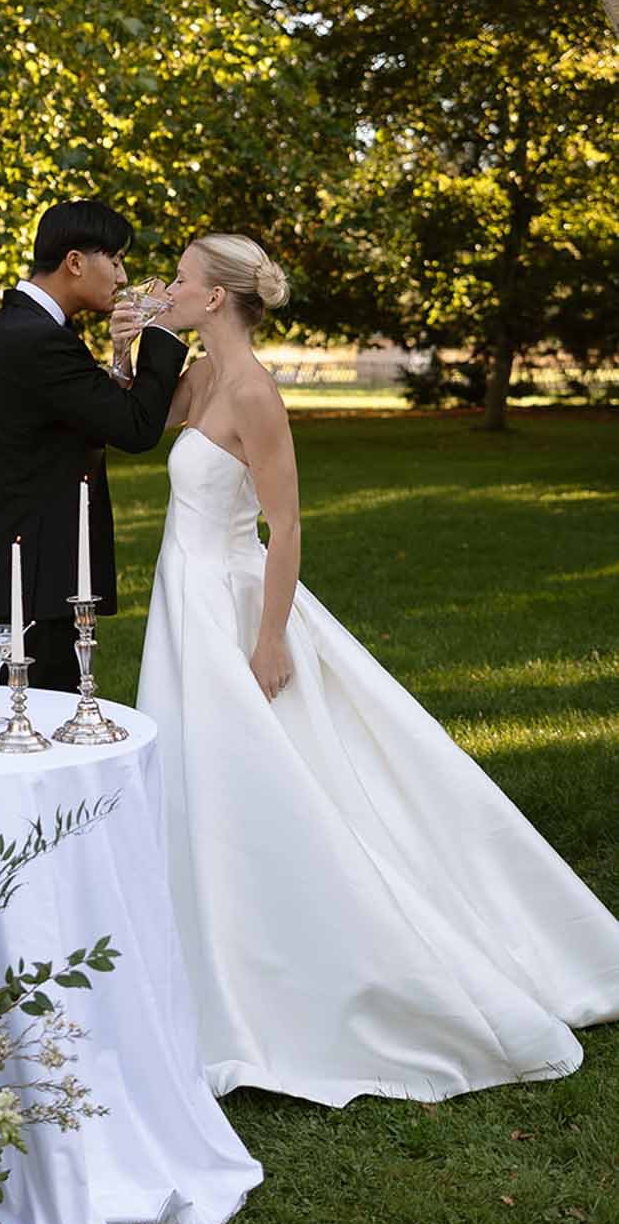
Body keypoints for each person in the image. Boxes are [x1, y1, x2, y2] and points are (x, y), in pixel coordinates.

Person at [128, 231, 619, 1104]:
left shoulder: (252, 392)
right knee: (196, 776)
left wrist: (271, 637)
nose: (167, 284)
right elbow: (141, 420)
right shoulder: (200, 375)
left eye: (180, 279)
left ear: (214, 299)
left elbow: (288, 526)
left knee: (272, 777)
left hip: (230, 603)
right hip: (184, 600)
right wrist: (133, 340)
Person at [0, 199, 184, 692]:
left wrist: (122, 356)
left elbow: (87, 418)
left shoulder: (19, 329)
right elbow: (136, 428)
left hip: (28, 572)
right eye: (116, 259)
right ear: (76, 262)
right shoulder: (36, 340)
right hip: (36, 580)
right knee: (34, 735)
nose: (123, 277)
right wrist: (165, 331)